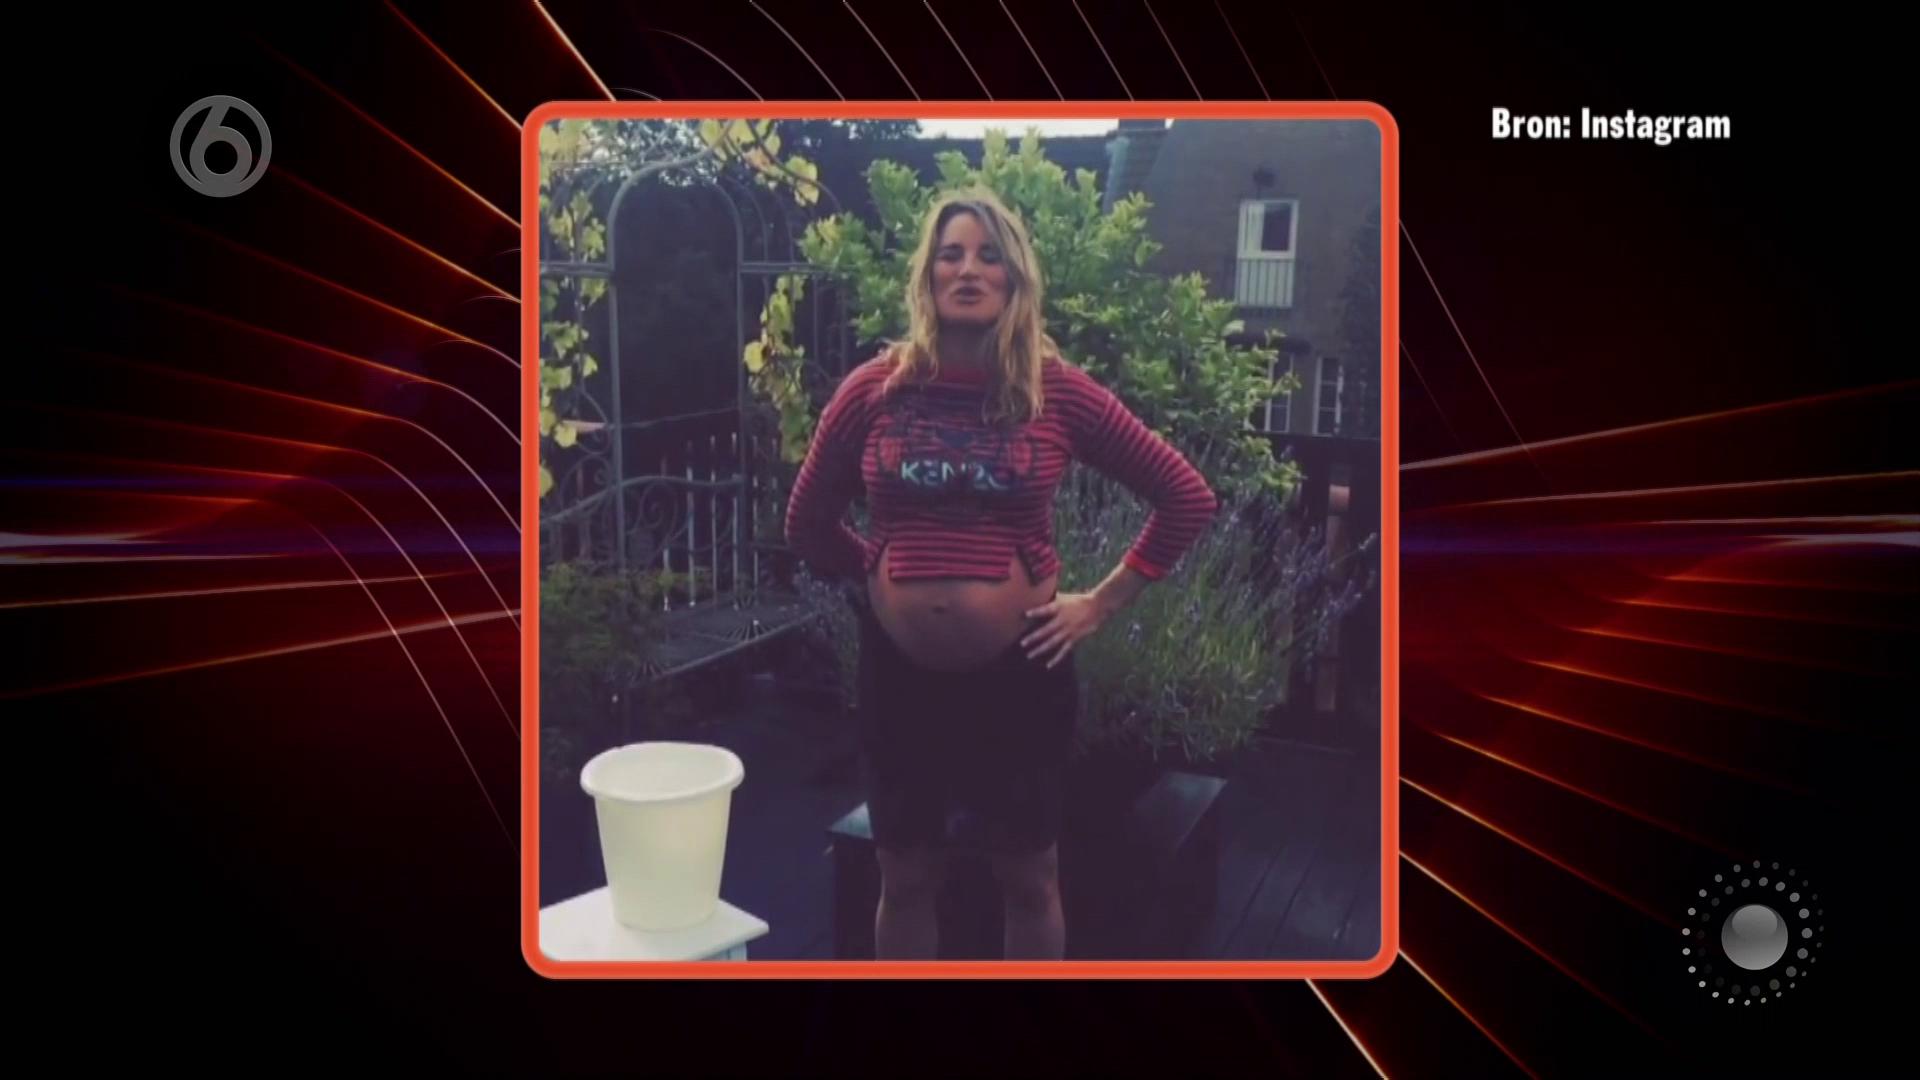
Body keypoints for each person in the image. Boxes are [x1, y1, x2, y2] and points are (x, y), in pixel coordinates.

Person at [784, 187, 1218, 960]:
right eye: (950, 254)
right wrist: (882, 578)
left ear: (1015, 277)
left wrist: (1099, 604)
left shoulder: (1057, 392)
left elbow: (1186, 495)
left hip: (1020, 677)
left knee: (1030, 879)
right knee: (904, 878)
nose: (968, 270)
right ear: (927, 275)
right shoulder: (873, 391)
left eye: (989, 256)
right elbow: (807, 522)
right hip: (900, 680)